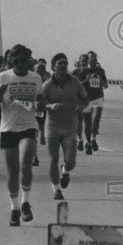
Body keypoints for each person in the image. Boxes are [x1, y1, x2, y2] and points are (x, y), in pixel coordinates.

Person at [0, 44, 41, 225]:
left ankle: (25, 203)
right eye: (17, 61)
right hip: (8, 128)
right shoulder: (3, 77)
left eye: (24, 61)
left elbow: (40, 101)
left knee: (26, 164)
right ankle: (14, 209)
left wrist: (42, 105)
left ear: (29, 60)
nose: (20, 65)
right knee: (13, 170)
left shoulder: (36, 78)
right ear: (11, 61)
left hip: (29, 126)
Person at [37, 53, 88, 200]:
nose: (63, 65)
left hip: (70, 127)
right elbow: (39, 105)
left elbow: (85, 99)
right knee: (53, 159)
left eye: (65, 63)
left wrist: (81, 106)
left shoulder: (75, 82)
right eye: (60, 63)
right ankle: (57, 190)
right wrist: (50, 105)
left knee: (71, 162)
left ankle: (65, 171)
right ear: (53, 67)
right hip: (52, 126)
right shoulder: (47, 85)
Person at [79, 51, 108, 154]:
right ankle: (88, 142)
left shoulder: (101, 70)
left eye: (95, 58)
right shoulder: (84, 71)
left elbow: (106, 85)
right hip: (87, 98)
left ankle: (93, 138)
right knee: (87, 123)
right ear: (88, 60)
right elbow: (78, 85)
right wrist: (86, 81)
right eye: (91, 58)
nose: (93, 60)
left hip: (98, 97)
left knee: (96, 119)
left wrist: (101, 81)